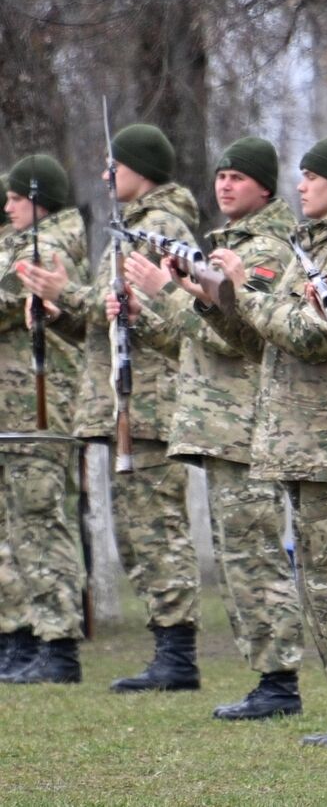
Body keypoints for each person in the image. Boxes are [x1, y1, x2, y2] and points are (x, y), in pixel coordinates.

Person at [203, 133, 327, 747]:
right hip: (303, 431)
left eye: (311, 176)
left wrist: (248, 288)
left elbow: (318, 333)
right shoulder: (310, 245)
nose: (300, 185)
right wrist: (219, 302)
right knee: (321, 572)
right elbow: (262, 342)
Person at [121, 137, 305, 718]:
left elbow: (242, 331)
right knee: (236, 555)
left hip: (245, 420)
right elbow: (193, 337)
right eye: (221, 175)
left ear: (265, 189)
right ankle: (268, 679)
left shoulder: (266, 250)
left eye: (238, 177)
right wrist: (145, 317)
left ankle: (280, 683)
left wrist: (168, 291)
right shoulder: (227, 245)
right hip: (218, 422)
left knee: (255, 554)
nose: (225, 185)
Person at [22, 124, 206, 694]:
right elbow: (110, 319)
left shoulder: (161, 229)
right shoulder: (131, 227)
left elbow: (172, 321)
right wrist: (60, 304)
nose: (107, 175)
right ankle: (166, 650)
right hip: (124, 401)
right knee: (136, 532)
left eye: (115, 165)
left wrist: (69, 294)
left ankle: (177, 656)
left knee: (157, 531)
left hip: (148, 402)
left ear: (142, 168)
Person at [0, 156, 87, 684]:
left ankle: (57, 644)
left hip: (39, 406)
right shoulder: (16, 243)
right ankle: (19, 634)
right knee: (14, 527)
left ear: (39, 199)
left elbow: (10, 295)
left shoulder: (46, 248)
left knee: (40, 521)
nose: (6, 205)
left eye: (14, 196)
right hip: (12, 408)